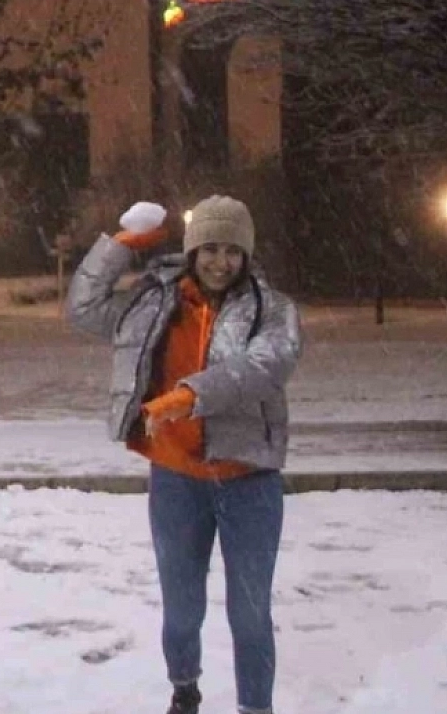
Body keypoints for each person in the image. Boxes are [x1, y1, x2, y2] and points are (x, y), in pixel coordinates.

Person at [66, 196, 301, 714]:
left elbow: (264, 366)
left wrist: (190, 396)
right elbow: (83, 308)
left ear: (246, 255)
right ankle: (184, 689)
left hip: (249, 481)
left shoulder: (273, 310)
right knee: (181, 608)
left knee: (249, 613)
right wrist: (120, 246)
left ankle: (255, 707)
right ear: (193, 251)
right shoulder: (155, 302)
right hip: (176, 479)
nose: (221, 262)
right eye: (210, 249)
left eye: (233, 251)